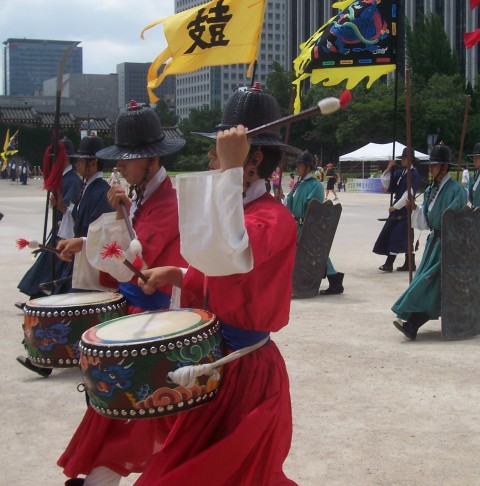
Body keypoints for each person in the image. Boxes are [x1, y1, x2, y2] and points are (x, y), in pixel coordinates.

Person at [60, 85, 298, 485]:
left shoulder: (272, 218)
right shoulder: (243, 212)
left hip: (243, 370)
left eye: (216, 155)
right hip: (212, 358)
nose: (210, 160)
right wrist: (180, 275)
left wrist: (230, 170)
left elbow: (228, 254)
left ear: (252, 159)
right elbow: (219, 272)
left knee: (220, 472)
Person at [57, 103, 188, 483]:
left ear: (153, 158)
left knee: (129, 413)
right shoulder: (146, 195)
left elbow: (134, 259)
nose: (123, 167)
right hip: (137, 316)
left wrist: (92, 240)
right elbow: (128, 253)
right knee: (126, 414)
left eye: (130, 160)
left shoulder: (168, 203)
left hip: (152, 322)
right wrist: (98, 233)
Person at [16, 136, 114, 378]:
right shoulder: (88, 188)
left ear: (91, 164)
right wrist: (62, 210)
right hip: (77, 258)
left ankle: (46, 358)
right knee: (63, 313)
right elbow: (75, 222)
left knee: (66, 315)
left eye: (80, 161)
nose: (77, 165)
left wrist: (77, 245)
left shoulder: (101, 192)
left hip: (88, 264)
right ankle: (43, 356)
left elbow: (99, 232)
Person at [391, 144, 467, 340]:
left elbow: (453, 220)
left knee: (430, 284)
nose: (431, 169)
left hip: (449, 246)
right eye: (431, 165)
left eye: (435, 166)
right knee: (425, 282)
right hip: (434, 242)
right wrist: (415, 209)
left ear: (444, 167)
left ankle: (413, 323)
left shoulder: (457, 191)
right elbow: (427, 220)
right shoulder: (431, 190)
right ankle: (411, 321)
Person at [16, 138, 82, 300]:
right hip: (59, 229)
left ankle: (41, 296)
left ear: (65, 158)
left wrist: (60, 206)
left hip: (66, 232)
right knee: (47, 265)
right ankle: (37, 295)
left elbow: (73, 210)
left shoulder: (72, 180)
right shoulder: (64, 178)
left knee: (54, 267)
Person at [286, 150, 344, 295]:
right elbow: (291, 204)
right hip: (298, 225)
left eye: (300, 165)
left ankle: (334, 278)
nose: (297, 168)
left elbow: (313, 207)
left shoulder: (315, 185)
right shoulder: (299, 184)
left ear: (307, 167)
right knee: (306, 253)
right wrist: (285, 198)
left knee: (316, 253)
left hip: (308, 225)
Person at [373, 147, 421, 272]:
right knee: (406, 236)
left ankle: (389, 263)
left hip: (405, 208)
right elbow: (387, 183)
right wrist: (389, 167)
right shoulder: (401, 173)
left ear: (410, 159)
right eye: (402, 158)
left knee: (397, 234)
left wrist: (395, 207)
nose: (403, 160)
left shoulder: (414, 175)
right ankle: (410, 263)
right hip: (399, 208)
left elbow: (408, 194)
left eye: (405, 158)